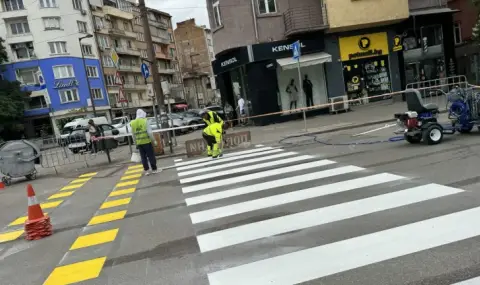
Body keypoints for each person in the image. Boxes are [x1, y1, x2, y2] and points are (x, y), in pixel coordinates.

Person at [130, 109, 160, 175]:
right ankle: (154, 169)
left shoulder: (133, 123)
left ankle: (146, 171)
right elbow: (149, 133)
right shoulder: (145, 121)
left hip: (139, 143)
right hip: (147, 142)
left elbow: (133, 135)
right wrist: (154, 140)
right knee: (151, 156)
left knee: (143, 157)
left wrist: (135, 143)